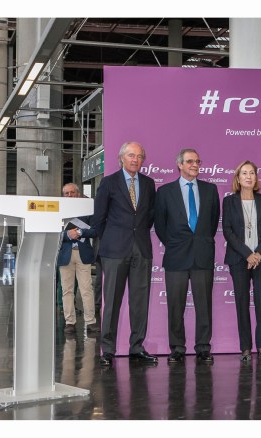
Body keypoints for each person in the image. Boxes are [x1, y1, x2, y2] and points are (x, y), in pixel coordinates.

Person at [92, 141, 157, 367]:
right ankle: (107, 350)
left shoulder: (149, 184)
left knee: (140, 302)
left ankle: (137, 347)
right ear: (121, 158)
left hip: (141, 250)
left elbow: (149, 217)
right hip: (114, 251)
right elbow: (98, 218)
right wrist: (107, 244)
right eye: (131, 155)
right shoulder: (109, 183)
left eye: (139, 156)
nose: (135, 160)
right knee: (112, 303)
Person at [155, 149, 220, 364]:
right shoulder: (165, 192)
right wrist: (174, 244)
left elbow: (211, 223)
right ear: (179, 165)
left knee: (204, 305)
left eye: (197, 161)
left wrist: (199, 242)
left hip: (202, 255)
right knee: (175, 305)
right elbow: (160, 226)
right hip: (176, 256)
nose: (195, 164)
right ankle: (177, 347)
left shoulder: (211, 190)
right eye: (190, 161)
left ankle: (203, 347)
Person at [222, 160, 261, 362]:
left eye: (252, 173)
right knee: (242, 302)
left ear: (256, 177)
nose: (248, 176)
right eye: (244, 173)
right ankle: (245, 347)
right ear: (238, 178)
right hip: (239, 259)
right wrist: (247, 254)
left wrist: (258, 254)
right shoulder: (228, 201)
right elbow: (228, 231)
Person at [58, 183, 100, 335]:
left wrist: (80, 232)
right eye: (66, 193)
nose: (70, 195)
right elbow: (53, 231)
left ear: (78, 193)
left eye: (72, 192)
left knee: (86, 289)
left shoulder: (88, 208)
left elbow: (95, 230)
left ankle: (91, 321)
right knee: (67, 290)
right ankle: (69, 322)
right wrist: (67, 235)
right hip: (65, 254)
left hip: (83, 253)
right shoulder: (59, 209)